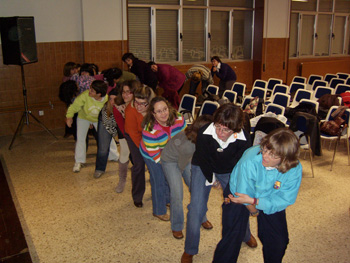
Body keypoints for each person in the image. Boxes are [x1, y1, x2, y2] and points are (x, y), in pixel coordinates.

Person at [212, 128, 302, 263]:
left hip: (268, 197)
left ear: (285, 159)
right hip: (238, 193)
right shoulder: (251, 159)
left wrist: (257, 201)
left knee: (279, 241)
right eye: (265, 150)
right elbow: (243, 194)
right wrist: (254, 211)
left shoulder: (294, 168)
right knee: (232, 236)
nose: (265, 156)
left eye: (273, 155)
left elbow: (285, 198)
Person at [181, 104, 254, 263]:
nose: (220, 133)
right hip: (203, 167)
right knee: (196, 208)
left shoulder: (244, 139)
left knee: (239, 204)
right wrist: (213, 180)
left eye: (226, 130)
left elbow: (241, 165)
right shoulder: (205, 132)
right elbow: (203, 159)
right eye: (218, 127)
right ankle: (190, 249)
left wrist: (229, 183)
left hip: (230, 171)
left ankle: (245, 234)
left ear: (235, 128)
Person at [161, 115, 213, 239]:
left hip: (187, 157)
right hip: (171, 160)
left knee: (197, 190)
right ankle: (177, 226)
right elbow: (181, 166)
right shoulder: (188, 145)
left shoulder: (203, 138)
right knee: (177, 193)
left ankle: (201, 217)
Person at [140, 97, 187, 221]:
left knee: (168, 177)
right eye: (159, 111)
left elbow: (183, 137)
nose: (163, 114)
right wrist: (168, 164)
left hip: (169, 151)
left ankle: (167, 199)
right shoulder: (149, 129)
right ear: (153, 113)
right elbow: (154, 153)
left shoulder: (179, 119)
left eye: (165, 109)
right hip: (152, 154)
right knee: (158, 180)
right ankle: (159, 210)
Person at [93, 84, 132, 193]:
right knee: (103, 147)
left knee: (131, 148)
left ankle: (137, 165)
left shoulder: (124, 106)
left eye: (114, 99)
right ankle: (99, 169)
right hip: (106, 125)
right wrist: (116, 138)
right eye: (110, 99)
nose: (112, 101)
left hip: (122, 127)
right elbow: (110, 127)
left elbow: (125, 125)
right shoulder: (106, 109)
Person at [66, 80, 109, 173]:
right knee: (80, 139)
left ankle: (114, 156)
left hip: (99, 120)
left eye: (92, 90)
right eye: (90, 88)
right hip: (83, 117)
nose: (89, 91)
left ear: (99, 94)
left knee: (107, 137)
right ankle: (79, 161)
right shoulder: (85, 95)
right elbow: (74, 106)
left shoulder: (107, 99)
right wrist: (69, 116)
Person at [124, 85, 155, 208]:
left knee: (156, 165)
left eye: (143, 104)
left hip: (151, 137)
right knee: (139, 165)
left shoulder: (155, 108)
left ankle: (159, 193)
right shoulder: (130, 110)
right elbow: (134, 134)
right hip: (134, 136)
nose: (138, 106)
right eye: (136, 102)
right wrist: (145, 151)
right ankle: (137, 196)